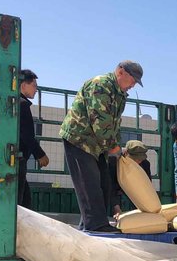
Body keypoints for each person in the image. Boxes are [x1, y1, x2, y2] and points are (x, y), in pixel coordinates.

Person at [59, 61, 143, 233]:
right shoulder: (101, 85)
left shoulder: (119, 94)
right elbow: (100, 120)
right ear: (121, 72)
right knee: (89, 184)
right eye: (133, 79)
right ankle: (96, 226)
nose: (133, 84)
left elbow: (114, 124)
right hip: (79, 139)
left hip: (96, 145)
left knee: (104, 184)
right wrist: (113, 147)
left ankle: (89, 226)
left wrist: (117, 146)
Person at [18, 69, 49, 208]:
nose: (36, 89)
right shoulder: (22, 104)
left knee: (25, 201)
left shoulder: (15, 102)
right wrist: (40, 154)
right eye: (34, 85)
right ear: (23, 85)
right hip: (18, 159)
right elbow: (27, 135)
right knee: (21, 204)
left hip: (16, 159)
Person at [108, 140, 152, 219]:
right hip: (118, 187)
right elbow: (112, 187)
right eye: (135, 159)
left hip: (135, 189)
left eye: (140, 159)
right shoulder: (114, 162)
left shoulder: (145, 164)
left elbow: (147, 188)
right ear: (126, 153)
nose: (138, 162)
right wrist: (117, 209)